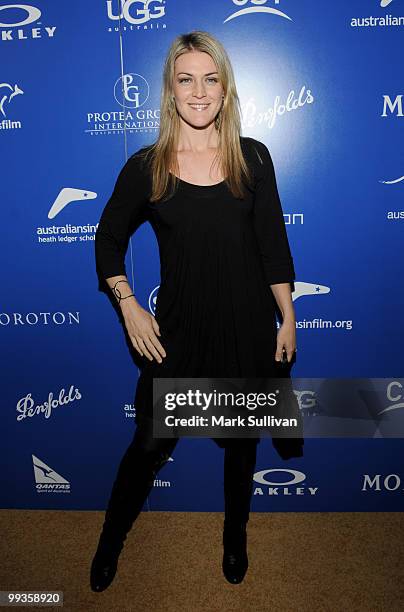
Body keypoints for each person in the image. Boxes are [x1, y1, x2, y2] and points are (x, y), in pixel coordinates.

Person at [91, 30, 303, 593]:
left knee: (241, 447)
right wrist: (128, 303)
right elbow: (107, 239)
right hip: (179, 336)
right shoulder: (149, 166)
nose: (199, 91)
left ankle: (236, 537)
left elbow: (272, 244)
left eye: (211, 79)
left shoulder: (252, 157)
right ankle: (110, 540)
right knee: (147, 449)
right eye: (186, 79)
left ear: (226, 89)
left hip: (247, 331)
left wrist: (287, 315)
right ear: (170, 90)